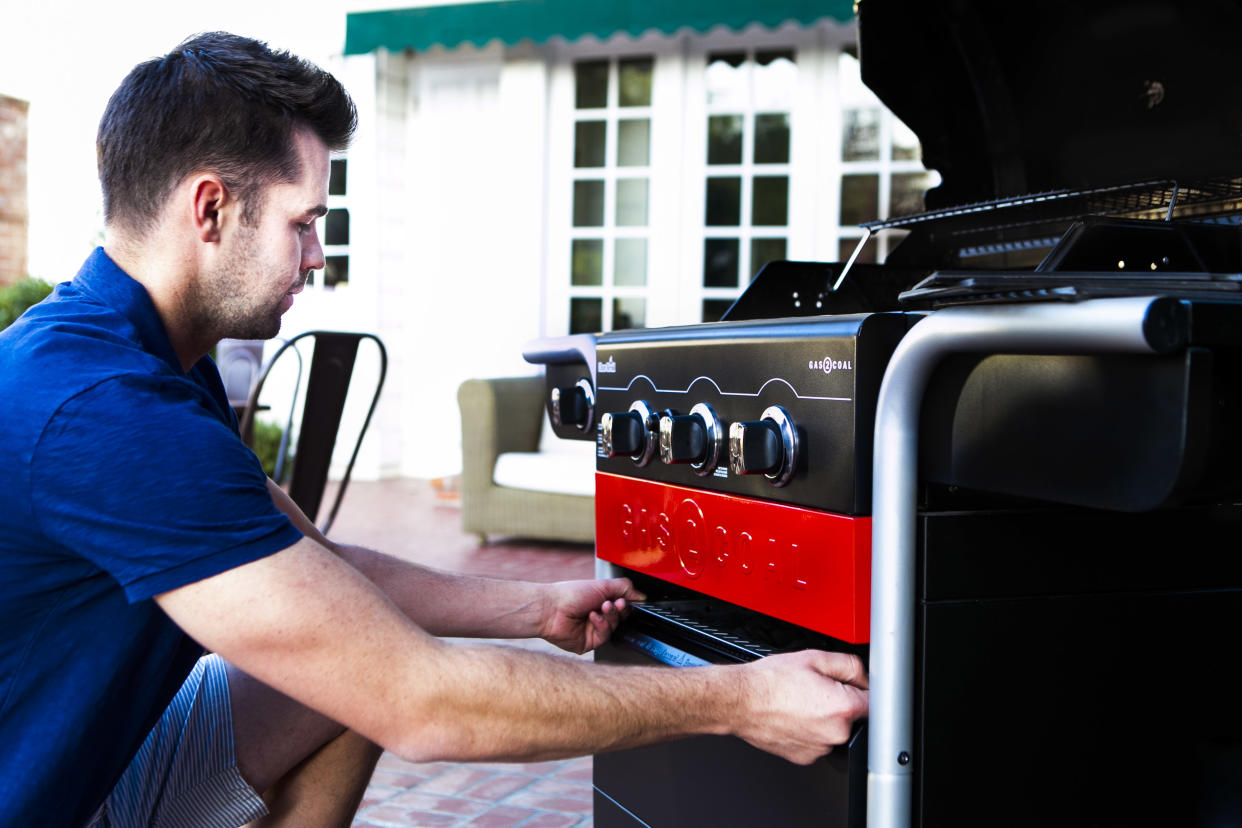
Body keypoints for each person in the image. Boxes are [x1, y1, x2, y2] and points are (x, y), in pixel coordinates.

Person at [0, 32, 869, 828]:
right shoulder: (107, 413)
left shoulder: (138, 351)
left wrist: (531, 608)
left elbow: (317, 568)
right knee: (380, 678)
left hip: (97, 759)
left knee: (347, 659)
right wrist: (741, 700)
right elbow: (424, 704)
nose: (318, 256)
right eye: (305, 222)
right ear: (212, 209)